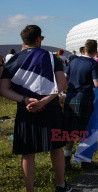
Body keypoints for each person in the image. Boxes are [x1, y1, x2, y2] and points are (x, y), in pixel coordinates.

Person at [0, 25, 72, 192]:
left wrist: (25, 100)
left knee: (28, 153)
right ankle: (61, 185)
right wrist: (44, 101)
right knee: (56, 148)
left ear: (23, 40)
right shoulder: (52, 58)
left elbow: (3, 89)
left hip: (26, 109)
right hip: (51, 107)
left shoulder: (13, 60)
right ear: (38, 39)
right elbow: (62, 84)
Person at [63, 39, 98, 170]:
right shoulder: (93, 64)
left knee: (71, 130)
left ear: (83, 49)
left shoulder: (73, 61)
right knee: (87, 130)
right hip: (84, 99)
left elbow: (66, 79)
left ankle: (66, 159)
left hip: (70, 97)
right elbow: (96, 84)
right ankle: (85, 161)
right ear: (96, 51)